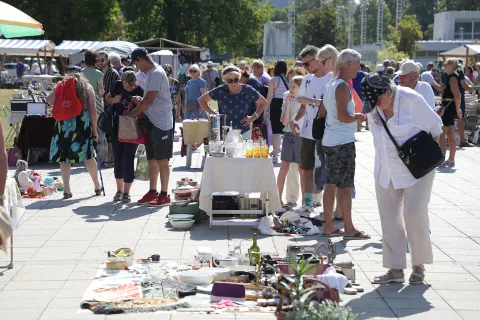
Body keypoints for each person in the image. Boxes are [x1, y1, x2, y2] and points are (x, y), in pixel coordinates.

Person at [361, 73, 442, 284]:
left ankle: (419, 266)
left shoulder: (411, 99)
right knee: (389, 221)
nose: (375, 105)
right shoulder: (373, 108)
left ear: (388, 91)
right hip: (385, 171)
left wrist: (417, 152)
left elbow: (436, 128)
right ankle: (395, 270)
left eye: (378, 100)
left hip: (417, 171)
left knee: (415, 215)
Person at [320, 49, 368, 239]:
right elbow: (343, 116)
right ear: (348, 64)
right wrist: (357, 117)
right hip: (342, 142)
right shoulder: (341, 86)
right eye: (357, 64)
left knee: (330, 184)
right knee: (345, 187)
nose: (359, 68)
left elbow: (324, 112)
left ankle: (329, 226)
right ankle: (348, 228)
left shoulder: (330, 84)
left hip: (331, 139)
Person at [290, 45, 334, 212]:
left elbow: (334, 106)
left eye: (308, 64)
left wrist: (311, 101)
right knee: (306, 168)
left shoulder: (332, 77)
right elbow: (302, 105)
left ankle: (329, 208)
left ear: (318, 59)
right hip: (308, 131)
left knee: (327, 168)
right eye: (303, 64)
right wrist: (294, 120)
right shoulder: (308, 79)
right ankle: (307, 203)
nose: (306, 68)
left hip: (326, 131)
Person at [129, 48, 173, 207]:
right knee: (152, 159)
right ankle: (152, 191)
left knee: (162, 160)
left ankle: (164, 194)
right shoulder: (148, 74)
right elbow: (149, 98)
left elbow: (148, 100)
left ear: (141, 59)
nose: (137, 68)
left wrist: (132, 113)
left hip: (161, 122)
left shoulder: (156, 73)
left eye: (136, 64)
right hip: (151, 121)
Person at [47, 73, 102, 199]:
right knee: (88, 155)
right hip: (81, 124)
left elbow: (49, 100)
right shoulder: (87, 87)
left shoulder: (61, 86)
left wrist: (58, 89)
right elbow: (93, 110)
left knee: (64, 157)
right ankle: (97, 186)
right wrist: (95, 131)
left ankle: (66, 189)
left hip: (63, 125)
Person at [106, 70, 144, 203]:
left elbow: (146, 107)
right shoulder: (117, 85)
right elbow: (107, 97)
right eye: (127, 87)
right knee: (118, 158)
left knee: (128, 158)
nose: (129, 89)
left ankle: (126, 192)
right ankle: (119, 190)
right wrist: (112, 100)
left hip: (132, 129)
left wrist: (139, 102)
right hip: (116, 126)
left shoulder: (140, 90)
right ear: (122, 82)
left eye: (131, 87)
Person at [198, 65, 268, 136]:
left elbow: (264, 102)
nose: (233, 83)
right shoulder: (220, 91)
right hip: (225, 131)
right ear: (225, 81)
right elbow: (201, 100)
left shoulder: (247, 90)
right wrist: (212, 113)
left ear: (239, 79)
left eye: (236, 80)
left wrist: (254, 117)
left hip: (244, 131)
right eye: (230, 81)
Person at [277, 76, 305, 207]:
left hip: (302, 137)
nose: (290, 89)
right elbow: (284, 122)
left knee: (302, 169)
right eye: (290, 86)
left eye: (294, 86)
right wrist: (287, 104)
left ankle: (306, 200)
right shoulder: (287, 100)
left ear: (301, 88)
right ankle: (278, 199)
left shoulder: (305, 101)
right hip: (288, 135)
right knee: (284, 168)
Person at [98, 51, 120, 165]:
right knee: (107, 134)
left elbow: (113, 92)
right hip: (103, 107)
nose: (100, 62)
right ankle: (109, 158)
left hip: (111, 107)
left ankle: (112, 159)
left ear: (107, 60)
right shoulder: (100, 73)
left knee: (111, 135)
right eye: (98, 60)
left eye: (102, 60)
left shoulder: (112, 73)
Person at [439, 59, 462, 167]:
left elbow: (457, 95)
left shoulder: (452, 77)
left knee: (442, 132)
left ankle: (442, 158)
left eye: (446, 64)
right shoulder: (449, 76)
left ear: (452, 66)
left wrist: (458, 110)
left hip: (449, 106)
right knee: (450, 133)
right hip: (449, 106)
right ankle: (451, 159)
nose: (444, 66)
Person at [265, 60, 289, 163]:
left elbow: (269, 96)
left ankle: (275, 154)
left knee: (276, 131)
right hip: (287, 103)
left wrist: (265, 109)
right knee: (286, 130)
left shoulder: (274, 80)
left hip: (276, 104)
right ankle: (286, 153)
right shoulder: (289, 80)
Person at [163, 64, 182, 132]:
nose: (166, 76)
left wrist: (178, 113)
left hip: (172, 110)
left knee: (171, 131)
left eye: (168, 74)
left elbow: (179, 99)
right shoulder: (159, 82)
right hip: (161, 110)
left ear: (171, 73)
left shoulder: (175, 83)